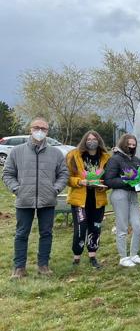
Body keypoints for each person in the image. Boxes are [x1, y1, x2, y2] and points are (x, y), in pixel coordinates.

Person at [3, 117, 69, 278]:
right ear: (30, 129)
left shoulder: (56, 153)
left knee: (46, 233)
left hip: (47, 200)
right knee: (21, 234)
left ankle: (43, 265)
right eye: (37, 127)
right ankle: (19, 268)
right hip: (24, 200)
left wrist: (56, 189)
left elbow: (63, 173)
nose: (40, 131)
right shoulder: (17, 151)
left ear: (47, 132)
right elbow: (8, 174)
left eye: (44, 129)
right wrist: (17, 189)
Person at [66, 130, 110, 269]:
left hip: (97, 199)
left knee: (95, 228)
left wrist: (104, 186)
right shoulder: (74, 155)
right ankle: (76, 257)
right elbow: (66, 177)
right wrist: (79, 181)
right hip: (79, 199)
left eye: (95, 138)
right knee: (81, 227)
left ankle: (92, 256)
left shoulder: (106, 157)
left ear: (99, 141)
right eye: (89, 139)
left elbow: (109, 178)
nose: (92, 141)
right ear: (85, 140)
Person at [103, 134, 140, 267]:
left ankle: (134, 254)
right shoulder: (115, 159)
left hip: (133, 195)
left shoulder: (137, 160)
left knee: (138, 226)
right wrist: (127, 181)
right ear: (123, 144)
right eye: (129, 144)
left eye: (134, 145)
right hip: (120, 195)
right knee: (122, 227)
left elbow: (139, 178)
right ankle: (123, 257)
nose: (131, 147)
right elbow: (109, 180)